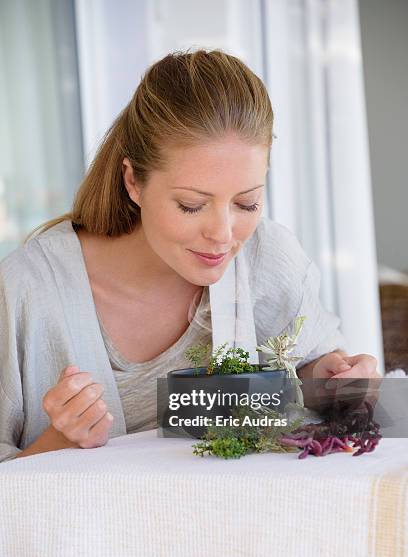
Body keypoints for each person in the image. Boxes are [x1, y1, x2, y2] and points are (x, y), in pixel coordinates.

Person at [0, 49, 379, 463]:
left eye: (247, 203)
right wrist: (57, 445)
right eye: (191, 205)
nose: (223, 234)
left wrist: (327, 381)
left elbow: (308, 370)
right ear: (133, 182)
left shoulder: (265, 258)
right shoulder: (25, 292)